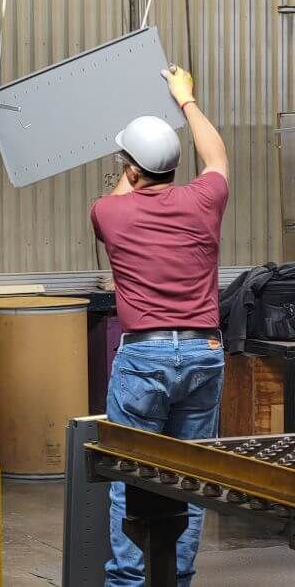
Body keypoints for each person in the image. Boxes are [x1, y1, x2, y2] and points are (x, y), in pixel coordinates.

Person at [91, 65, 229, 587]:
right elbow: (215, 157)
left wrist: (126, 174)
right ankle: (177, 579)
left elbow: (122, 197)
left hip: (144, 355)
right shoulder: (204, 201)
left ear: (130, 170)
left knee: (131, 476)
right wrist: (186, 100)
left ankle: (128, 582)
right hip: (203, 352)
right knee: (190, 479)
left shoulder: (110, 211)